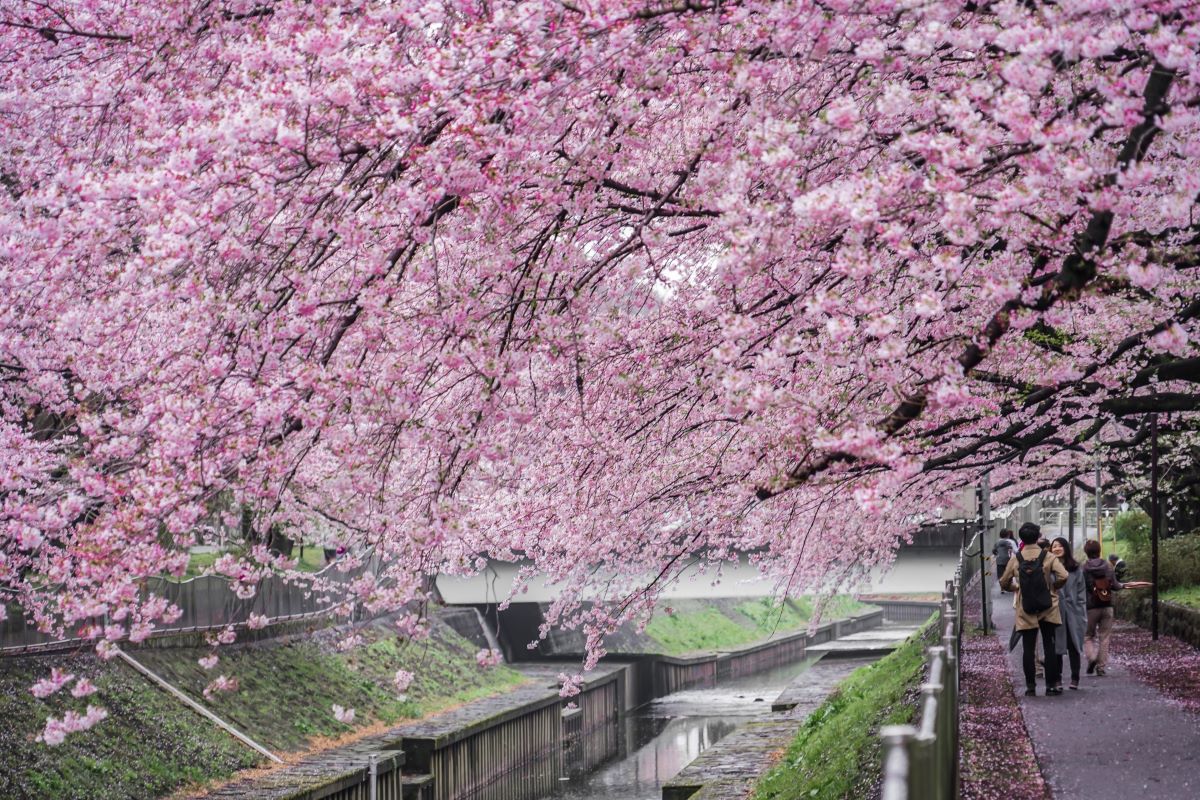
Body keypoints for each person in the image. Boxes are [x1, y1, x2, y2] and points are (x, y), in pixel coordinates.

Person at [1001, 522, 1068, 696]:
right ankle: (1051, 686)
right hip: (1048, 605)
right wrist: (1053, 587)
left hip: (1026, 607)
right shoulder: (1048, 556)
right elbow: (1064, 575)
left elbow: (1003, 582)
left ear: (1021, 538)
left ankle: (1031, 686)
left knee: (1028, 648)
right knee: (1049, 645)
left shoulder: (1016, 558)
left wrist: (1016, 589)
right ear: (1038, 536)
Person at [1050, 537, 1085, 689]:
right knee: (1057, 647)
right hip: (1055, 611)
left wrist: (1080, 611)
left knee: (1074, 645)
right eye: (1054, 546)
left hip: (1073, 612)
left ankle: (1075, 678)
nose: (1057, 548)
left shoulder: (1076, 569)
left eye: (1060, 546)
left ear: (1065, 548)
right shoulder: (1048, 567)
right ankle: (1057, 679)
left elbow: (1081, 592)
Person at [1083, 539, 1123, 677]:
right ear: (1099, 550)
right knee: (1104, 637)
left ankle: (1092, 657)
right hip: (1107, 605)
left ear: (1086, 552)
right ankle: (1101, 667)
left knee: (1088, 636)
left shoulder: (1084, 568)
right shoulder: (1108, 567)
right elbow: (1116, 586)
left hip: (1091, 607)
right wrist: (1123, 585)